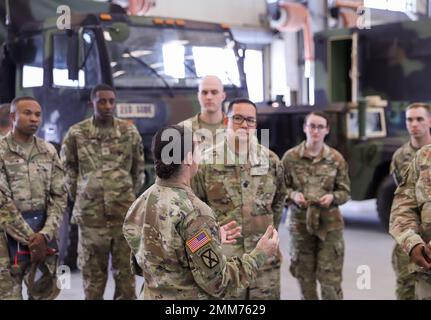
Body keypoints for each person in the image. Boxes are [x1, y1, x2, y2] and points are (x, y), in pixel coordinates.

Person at [123, 125, 279, 299]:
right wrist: (260, 254)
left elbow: (143, 261)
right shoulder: (196, 213)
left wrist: (208, 237)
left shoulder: (140, 202)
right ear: (189, 157)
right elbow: (220, 283)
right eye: (197, 148)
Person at [192, 98, 286, 299]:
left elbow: (278, 203)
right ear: (226, 120)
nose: (245, 124)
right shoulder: (206, 163)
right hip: (224, 267)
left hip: (264, 267)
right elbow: (194, 213)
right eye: (238, 118)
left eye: (250, 120)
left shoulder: (271, 161)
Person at [60, 84, 146, 300]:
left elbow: (138, 170)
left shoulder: (129, 132)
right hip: (91, 219)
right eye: (102, 101)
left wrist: (125, 194)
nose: (107, 106)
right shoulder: (77, 133)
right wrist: (82, 194)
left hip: (122, 216)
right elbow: (68, 169)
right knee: (93, 279)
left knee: (126, 277)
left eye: (111, 101)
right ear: (92, 103)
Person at [0, 96, 67, 299]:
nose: (34, 119)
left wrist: (45, 234)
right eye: (27, 113)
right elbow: (2, 201)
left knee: (45, 294)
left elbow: (59, 196)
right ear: (13, 116)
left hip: (43, 237)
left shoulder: (48, 151)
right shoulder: (2, 151)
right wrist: (31, 239)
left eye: (37, 114)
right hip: (6, 241)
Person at [281, 111, 350, 300]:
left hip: (329, 225)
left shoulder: (336, 159)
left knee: (330, 279)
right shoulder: (290, 158)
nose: (315, 131)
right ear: (305, 128)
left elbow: (345, 192)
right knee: (305, 278)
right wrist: (293, 195)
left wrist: (332, 197)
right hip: (299, 224)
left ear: (327, 130)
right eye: (312, 126)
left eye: (320, 127)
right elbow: (280, 190)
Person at [389, 103, 431, 300]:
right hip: (424, 258)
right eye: (410, 119)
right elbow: (404, 202)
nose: (414, 124)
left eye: (419, 119)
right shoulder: (420, 157)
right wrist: (411, 241)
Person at [179, 75, 227, 153]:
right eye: (204, 92)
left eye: (214, 92)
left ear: (223, 96)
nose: (209, 97)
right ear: (198, 96)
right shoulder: (182, 130)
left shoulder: (238, 129)